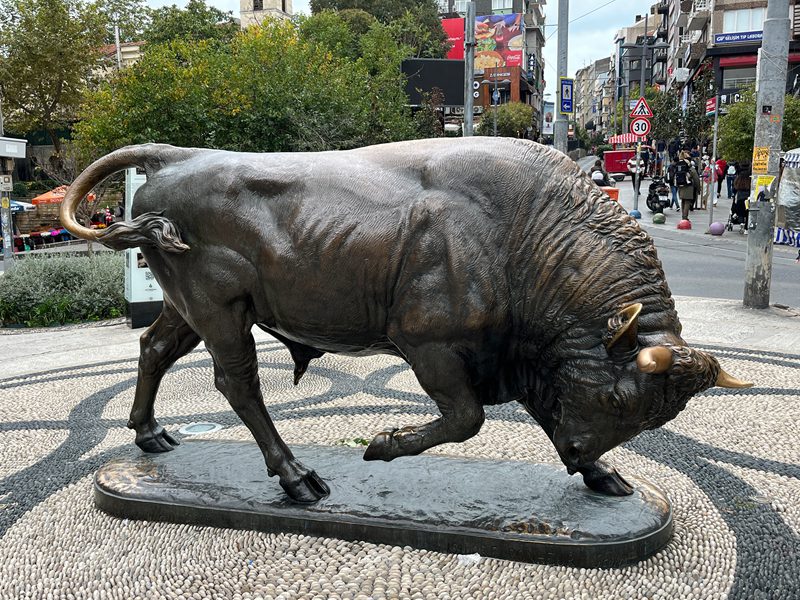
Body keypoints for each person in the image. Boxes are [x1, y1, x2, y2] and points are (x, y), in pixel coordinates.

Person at [677, 151, 700, 220]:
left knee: (683, 201)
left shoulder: (679, 167)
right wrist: (698, 189)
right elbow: (696, 179)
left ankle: (683, 216)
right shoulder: (690, 169)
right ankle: (685, 217)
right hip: (688, 187)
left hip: (681, 186)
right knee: (687, 202)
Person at [733, 163, 752, 232]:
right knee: (747, 212)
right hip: (748, 197)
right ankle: (746, 227)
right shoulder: (750, 178)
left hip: (740, 196)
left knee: (740, 211)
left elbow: (735, 186)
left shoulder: (739, 177)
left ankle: (741, 222)